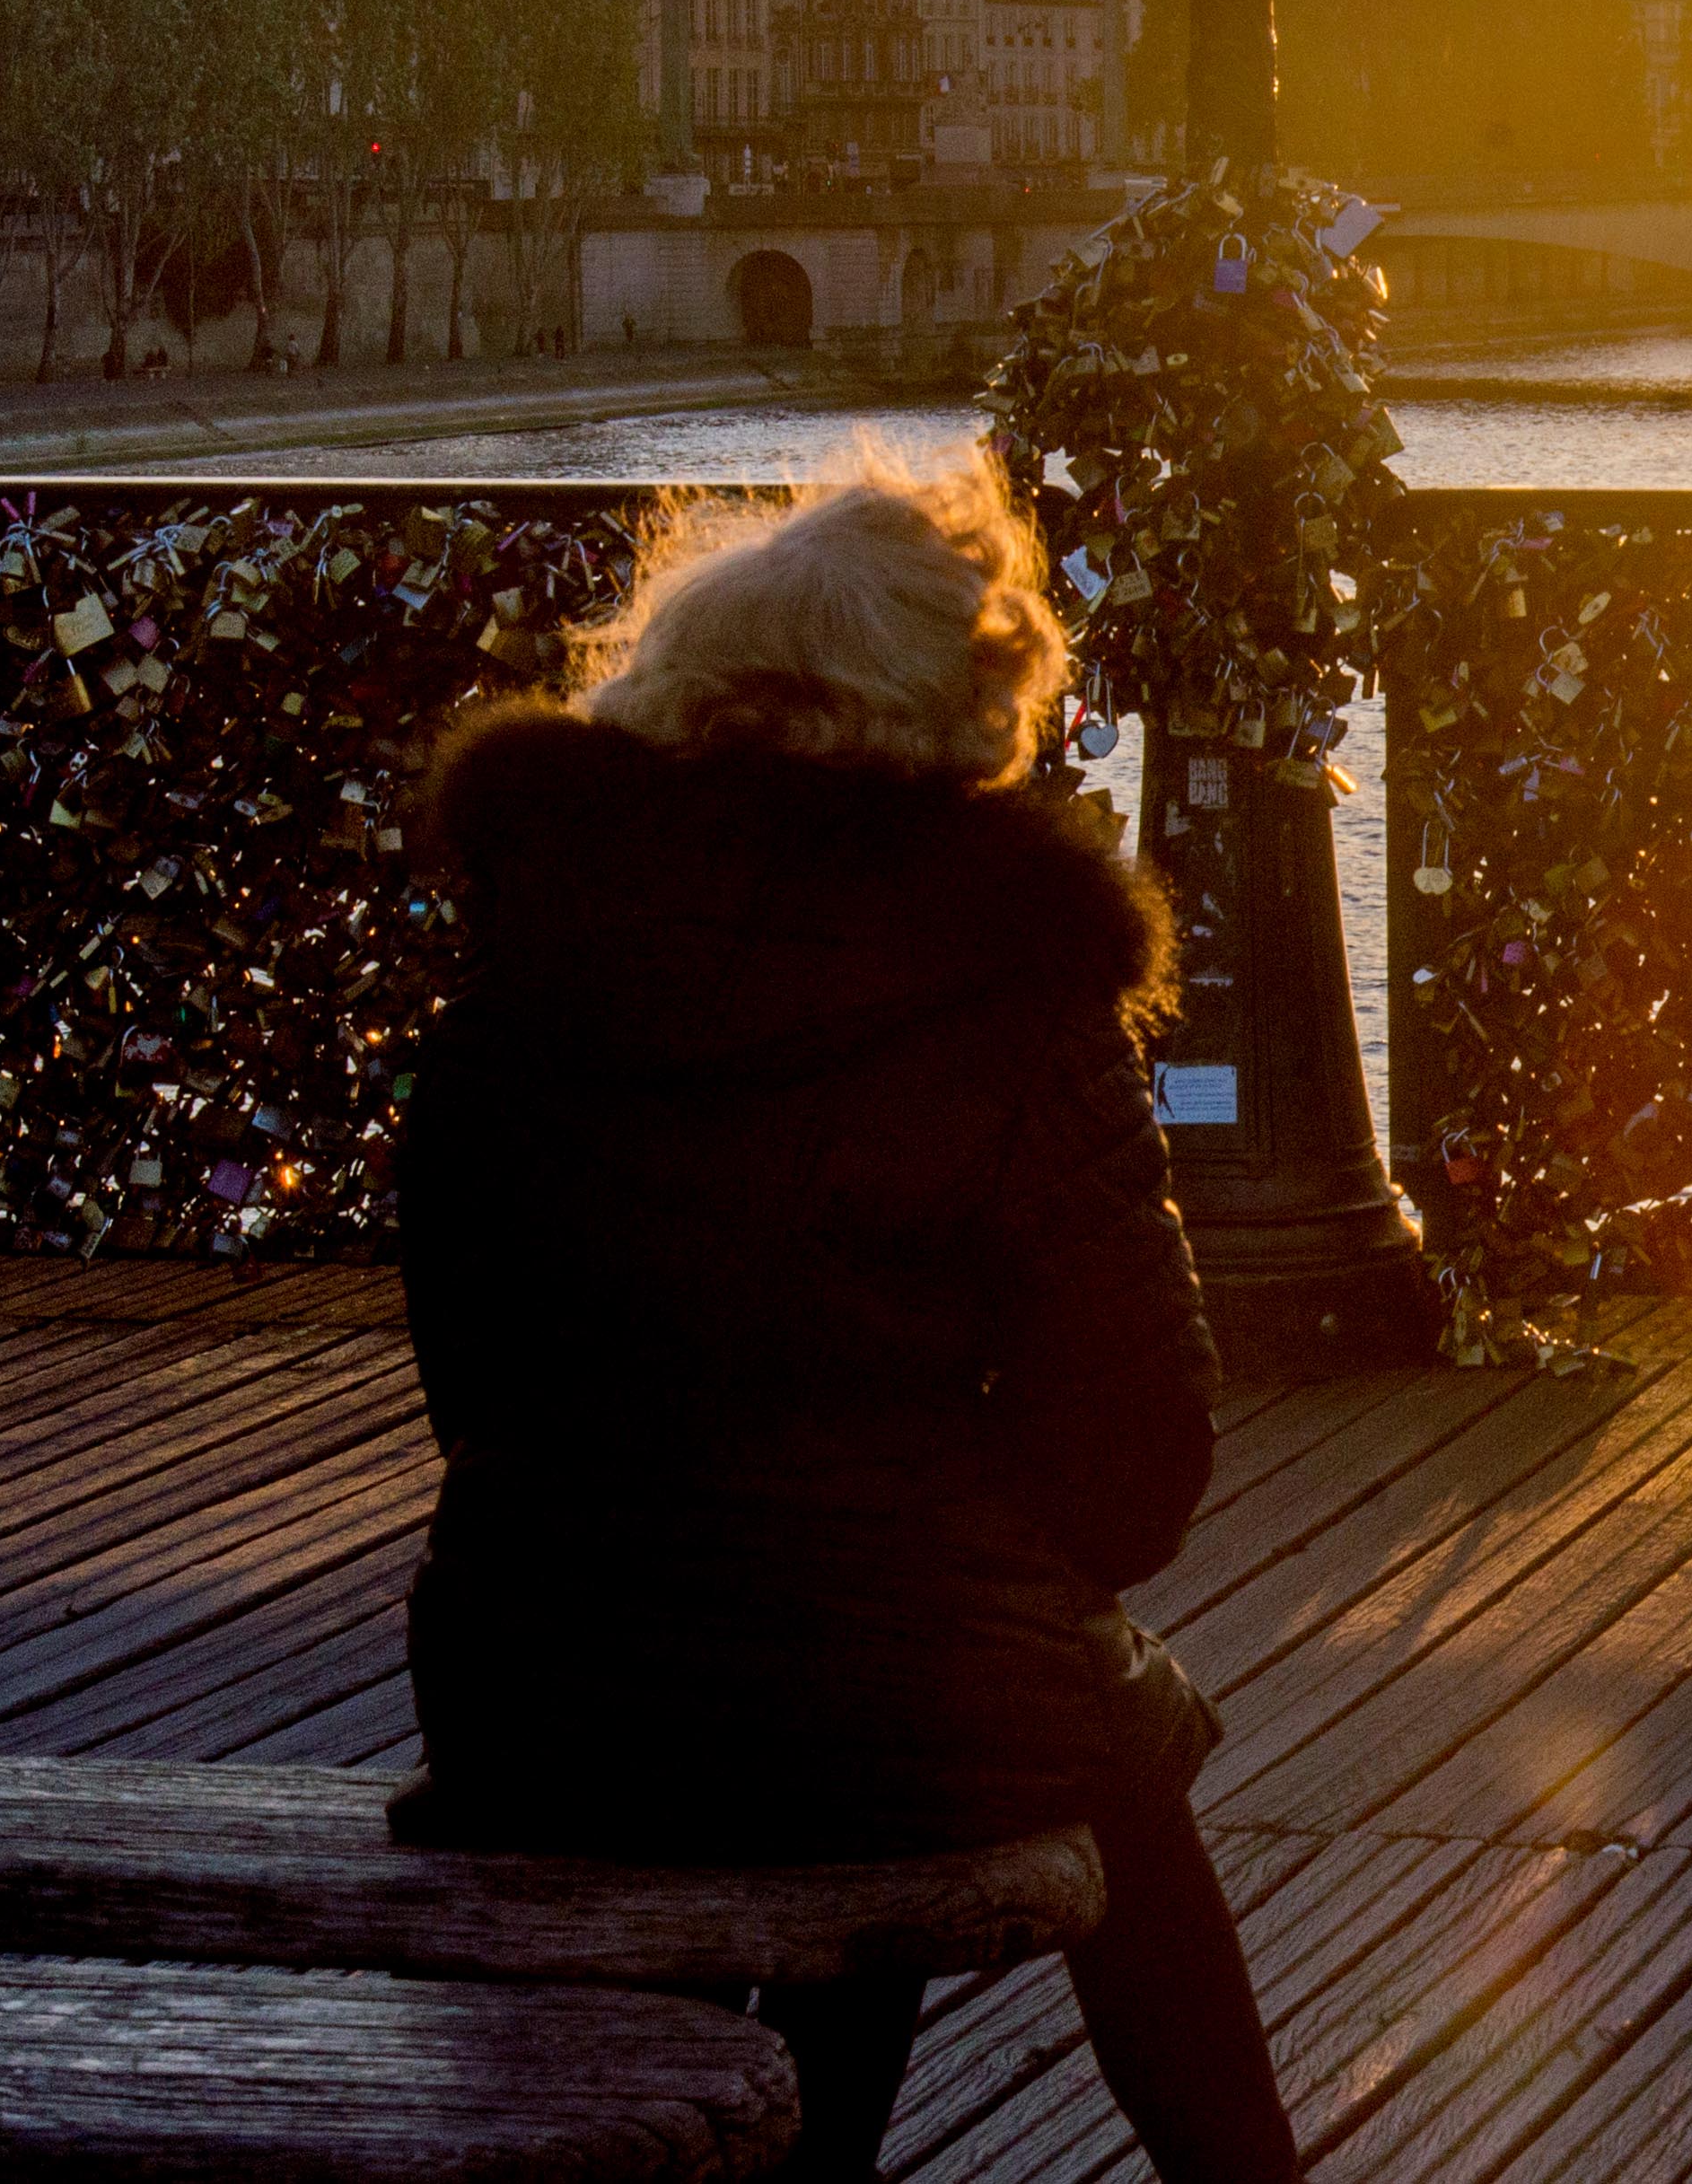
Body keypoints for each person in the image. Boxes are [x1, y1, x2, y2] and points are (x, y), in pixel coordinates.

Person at [390, 457, 1295, 2183]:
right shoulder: (1020, 987)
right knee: (1072, 1720)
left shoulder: (527, 957)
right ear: (964, 705)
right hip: (893, 1697)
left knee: (913, 1674)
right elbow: (1135, 1466)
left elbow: (477, 1386)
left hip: (542, 1695)